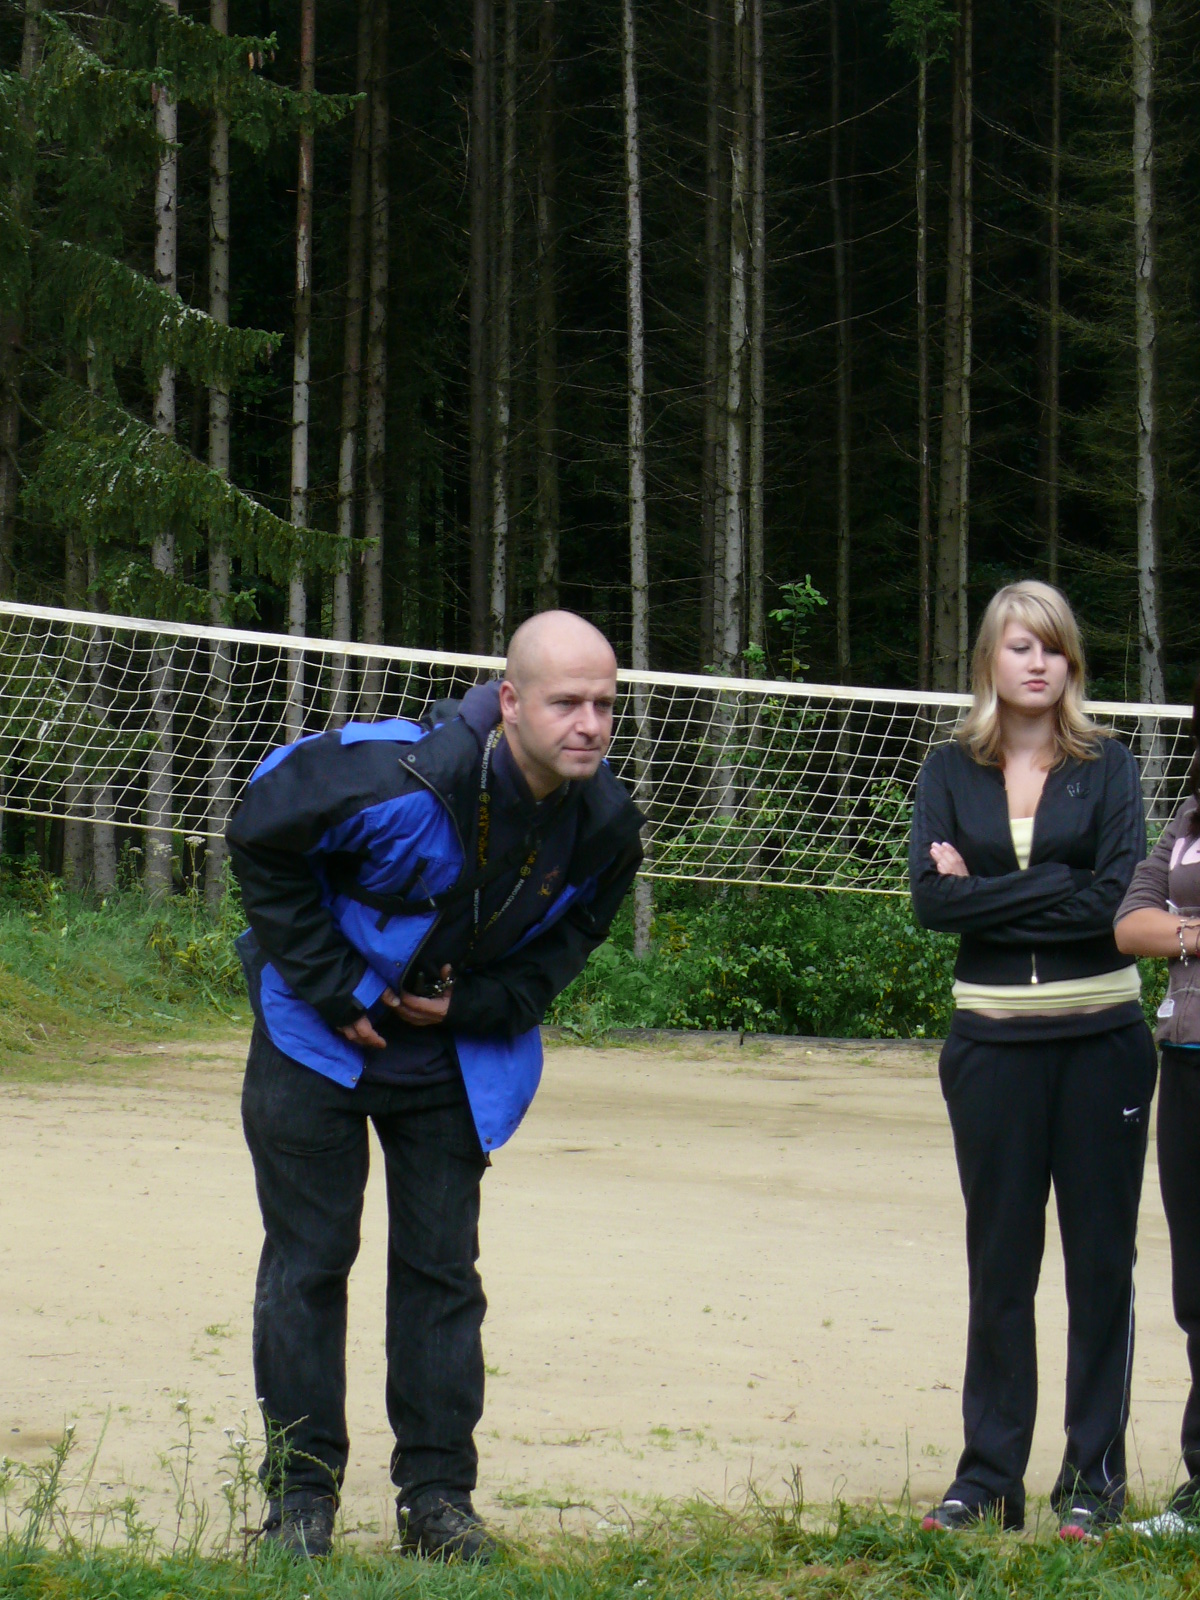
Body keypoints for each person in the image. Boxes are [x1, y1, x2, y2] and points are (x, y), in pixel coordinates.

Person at [227, 611, 643, 1561]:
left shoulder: (606, 825)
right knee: (307, 1264)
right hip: (313, 1041)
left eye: (604, 705)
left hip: (449, 1060)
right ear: (511, 701)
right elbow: (258, 836)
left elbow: (575, 937)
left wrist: (478, 1005)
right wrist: (336, 985)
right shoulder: (392, 776)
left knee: (441, 1277)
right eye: (566, 703)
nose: (588, 724)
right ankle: (300, 1505)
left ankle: (438, 1503)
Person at [909, 580, 1156, 1541]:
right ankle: (988, 1479)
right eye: (1021, 646)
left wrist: (993, 891)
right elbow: (932, 903)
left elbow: (1113, 902)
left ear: (1071, 662)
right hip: (990, 1049)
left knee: (1101, 1267)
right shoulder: (947, 769)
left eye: (1053, 646)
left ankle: (1094, 1481)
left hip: (1102, 1046)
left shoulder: (1111, 765)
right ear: (990, 660)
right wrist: (1059, 881)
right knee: (1001, 1265)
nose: (1039, 662)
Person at [1114, 671, 1200, 1535]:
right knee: (1196, 1287)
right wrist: (1191, 934)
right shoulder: (1189, 819)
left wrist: (1177, 935)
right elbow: (1130, 923)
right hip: (1188, 1062)